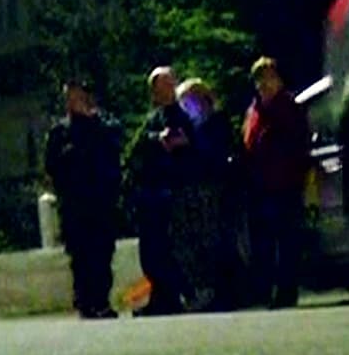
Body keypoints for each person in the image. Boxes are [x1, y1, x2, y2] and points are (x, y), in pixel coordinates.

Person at [44, 76, 123, 319]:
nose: (73, 101)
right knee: (80, 255)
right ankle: (85, 300)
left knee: (101, 252)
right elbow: (51, 165)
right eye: (69, 96)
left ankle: (101, 300)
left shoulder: (103, 125)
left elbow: (113, 152)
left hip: (100, 201)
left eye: (77, 95)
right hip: (75, 204)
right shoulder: (60, 132)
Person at [241, 55, 313, 308]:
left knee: (287, 241)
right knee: (264, 243)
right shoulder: (254, 111)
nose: (265, 84)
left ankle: (286, 291)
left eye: (270, 78)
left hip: (286, 184)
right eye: (260, 79)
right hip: (260, 186)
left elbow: (298, 144)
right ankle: (266, 290)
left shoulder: (289, 108)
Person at [124, 66, 194, 315]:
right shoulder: (152, 120)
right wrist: (155, 141)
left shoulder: (184, 116)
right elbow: (135, 151)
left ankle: (175, 297)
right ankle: (160, 298)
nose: (163, 91)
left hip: (174, 194)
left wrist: (179, 144)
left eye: (167, 85)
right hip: (150, 196)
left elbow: (193, 146)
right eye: (158, 87)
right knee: (151, 252)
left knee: (170, 249)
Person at [170, 77, 236, 312]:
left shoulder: (216, 122)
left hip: (210, 187)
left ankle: (217, 290)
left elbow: (216, 152)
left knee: (210, 239)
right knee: (189, 242)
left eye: (192, 102)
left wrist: (191, 142)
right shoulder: (183, 124)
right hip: (187, 186)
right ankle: (199, 289)